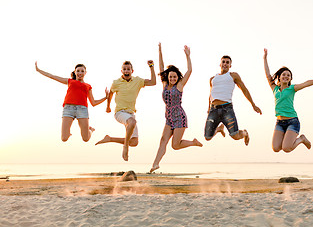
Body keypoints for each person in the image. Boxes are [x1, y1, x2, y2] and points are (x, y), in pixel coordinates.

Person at [263, 48, 313, 153]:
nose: (286, 76)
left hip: (292, 121)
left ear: (290, 79)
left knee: (286, 148)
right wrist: (265, 58)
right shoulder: (274, 88)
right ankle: (294, 138)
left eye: (288, 75)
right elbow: (267, 74)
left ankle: (301, 139)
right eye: (284, 74)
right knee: (276, 148)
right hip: (279, 122)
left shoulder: (292, 88)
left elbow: (307, 83)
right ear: (279, 77)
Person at [149, 43, 203, 173]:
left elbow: (189, 71)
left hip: (179, 117)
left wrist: (188, 56)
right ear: (167, 77)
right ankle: (155, 164)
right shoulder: (164, 84)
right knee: (163, 140)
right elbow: (161, 67)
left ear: (177, 77)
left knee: (175, 145)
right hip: (168, 118)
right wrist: (160, 51)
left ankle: (193, 142)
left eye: (174, 76)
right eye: (170, 76)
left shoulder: (179, 85)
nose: (172, 78)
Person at [96, 60, 156, 161]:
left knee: (134, 142)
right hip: (120, 112)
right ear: (121, 71)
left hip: (131, 113)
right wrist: (108, 106)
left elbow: (153, 82)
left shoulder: (138, 81)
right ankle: (125, 147)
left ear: (132, 71)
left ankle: (110, 138)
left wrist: (151, 67)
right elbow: (110, 93)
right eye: (124, 69)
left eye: (128, 69)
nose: (126, 71)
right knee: (132, 122)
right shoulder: (116, 82)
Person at [35, 62, 109, 142]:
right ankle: (68, 133)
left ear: (85, 73)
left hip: (82, 110)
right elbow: (52, 76)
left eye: (82, 71)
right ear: (74, 72)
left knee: (86, 139)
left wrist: (105, 97)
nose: (80, 73)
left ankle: (90, 129)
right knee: (64, 138)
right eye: (78, 71)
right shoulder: (70, 81)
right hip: (68, 109)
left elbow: (93, 103)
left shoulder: (88, 86)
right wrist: (38, 70)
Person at [204, 55, 262, 145]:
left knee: (235, 136)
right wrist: (208, 108)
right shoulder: (213, 79)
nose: (225, 64)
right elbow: (211, 94)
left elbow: (244, 90)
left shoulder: (233, 76)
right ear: (220, 64)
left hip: (226, 109)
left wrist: (253, 105)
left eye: (227, 62)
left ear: (230, 65)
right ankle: (219, 129)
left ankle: (245, 133)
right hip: (214, 109)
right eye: (223, 62)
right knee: (207, 137)